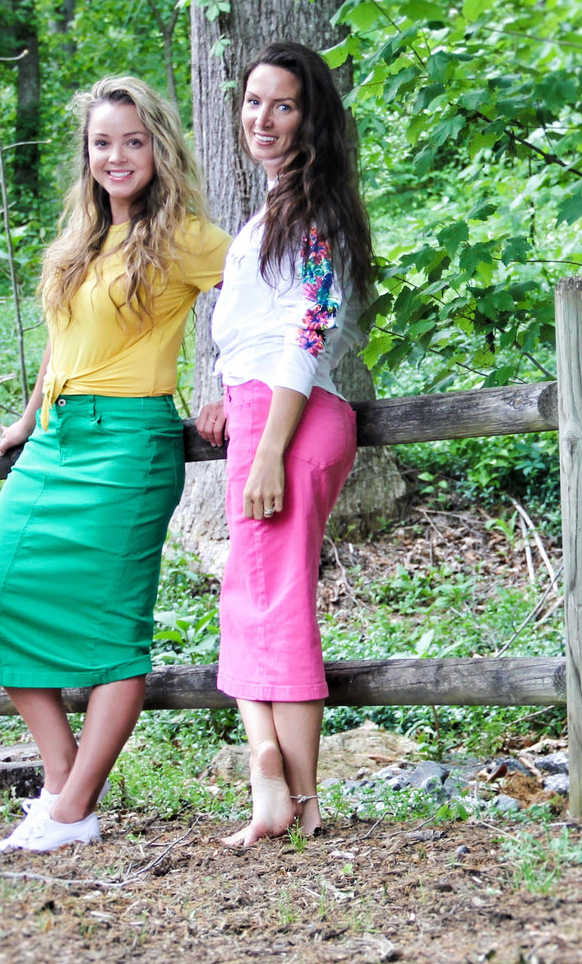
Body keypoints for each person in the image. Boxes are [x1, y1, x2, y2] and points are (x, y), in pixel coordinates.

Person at [0, 76, 230, 855]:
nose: (117, 156)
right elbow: (62, 335)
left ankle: (71, 808)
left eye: (133, 141)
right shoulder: (81, 237)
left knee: (116, 637)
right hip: (55, 442)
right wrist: (25, 415)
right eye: (103, 143)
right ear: (87, 153)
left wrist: (231, 393)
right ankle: (63, 794)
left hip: (130, 444)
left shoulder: (186, 236)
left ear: (159, 148)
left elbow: (268, 300)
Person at [196, 41, 375, 848]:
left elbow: (306, 332)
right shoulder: (273, 212)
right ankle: (275, 777)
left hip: (290, 422)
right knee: (254, 596)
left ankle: (295, 797)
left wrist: (269, 443)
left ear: (313, 120)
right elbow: (259, 334)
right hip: (266, 412)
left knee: (273, 601)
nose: (262, 119)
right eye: (253, 102)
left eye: (284, 105)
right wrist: (227, 400)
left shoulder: (314, 211)